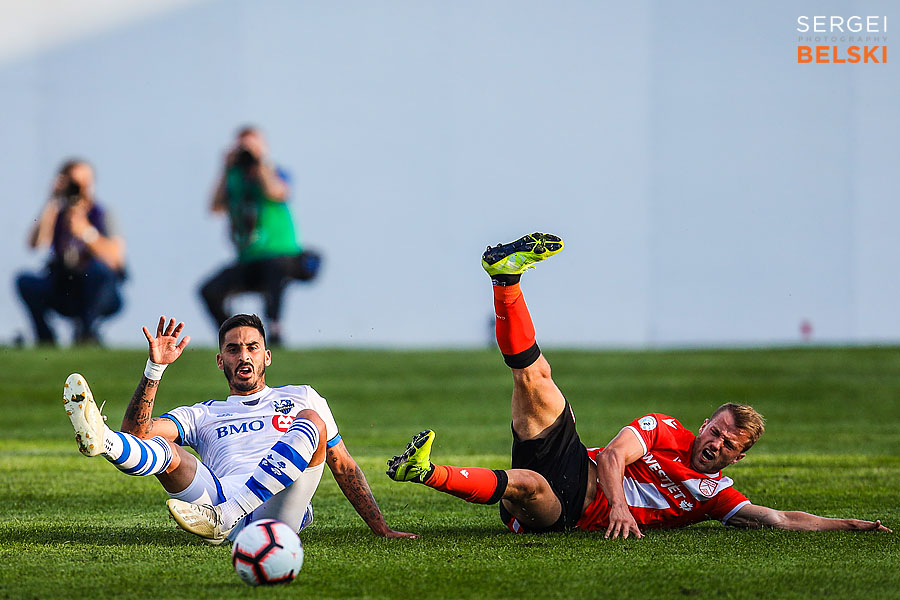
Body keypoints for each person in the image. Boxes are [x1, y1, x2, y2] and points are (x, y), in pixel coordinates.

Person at [387, 233, 892, 537]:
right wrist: (624, 510)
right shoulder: (663, 428)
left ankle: (423, 471)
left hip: (569, 510)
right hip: (572, 458)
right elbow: (611, 456)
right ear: (703, 424)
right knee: (533, 376)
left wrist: (851, 525)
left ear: (739, 456)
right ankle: (506, 280)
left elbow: (780, 519)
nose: (715, 442)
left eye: (727, 442)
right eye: (715, 430)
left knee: (528, 485)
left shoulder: (714, 495)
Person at [64, 313, 414, 544]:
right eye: (233, 349)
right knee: (169, 453)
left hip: (276, 511)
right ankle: (104, 442)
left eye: (252, 347)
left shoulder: (302, 396)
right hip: (214, 500)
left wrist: (381, 529)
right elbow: (138, 435)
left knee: (313, 422)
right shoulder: (203, 414)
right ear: (221, 361)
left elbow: (343, 465)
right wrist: (155, 369)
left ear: (267, 356)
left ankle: (227, 517)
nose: (243, 355)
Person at [199, 126, 320, 346]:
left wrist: (261, 160)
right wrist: (225, 168)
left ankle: (274, 329)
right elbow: (215, 207)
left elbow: (276, 191)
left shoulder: (275, 172)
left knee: (274, 270)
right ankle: (234, 337)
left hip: (282, 255)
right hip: (249, 259)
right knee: (209, 290)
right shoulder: (234, 180)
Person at [16, 159, 126, 345]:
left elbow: (116, 259)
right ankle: (45, 339)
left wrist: (86, 232)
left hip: (97, 292)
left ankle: (86, 334)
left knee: (100, 272)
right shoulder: (56, 213)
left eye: (83, 183)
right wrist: (52, 201)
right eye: (73, 182)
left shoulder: (102, 214)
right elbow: (35, 243)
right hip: (64, 287)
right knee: (24, 281)